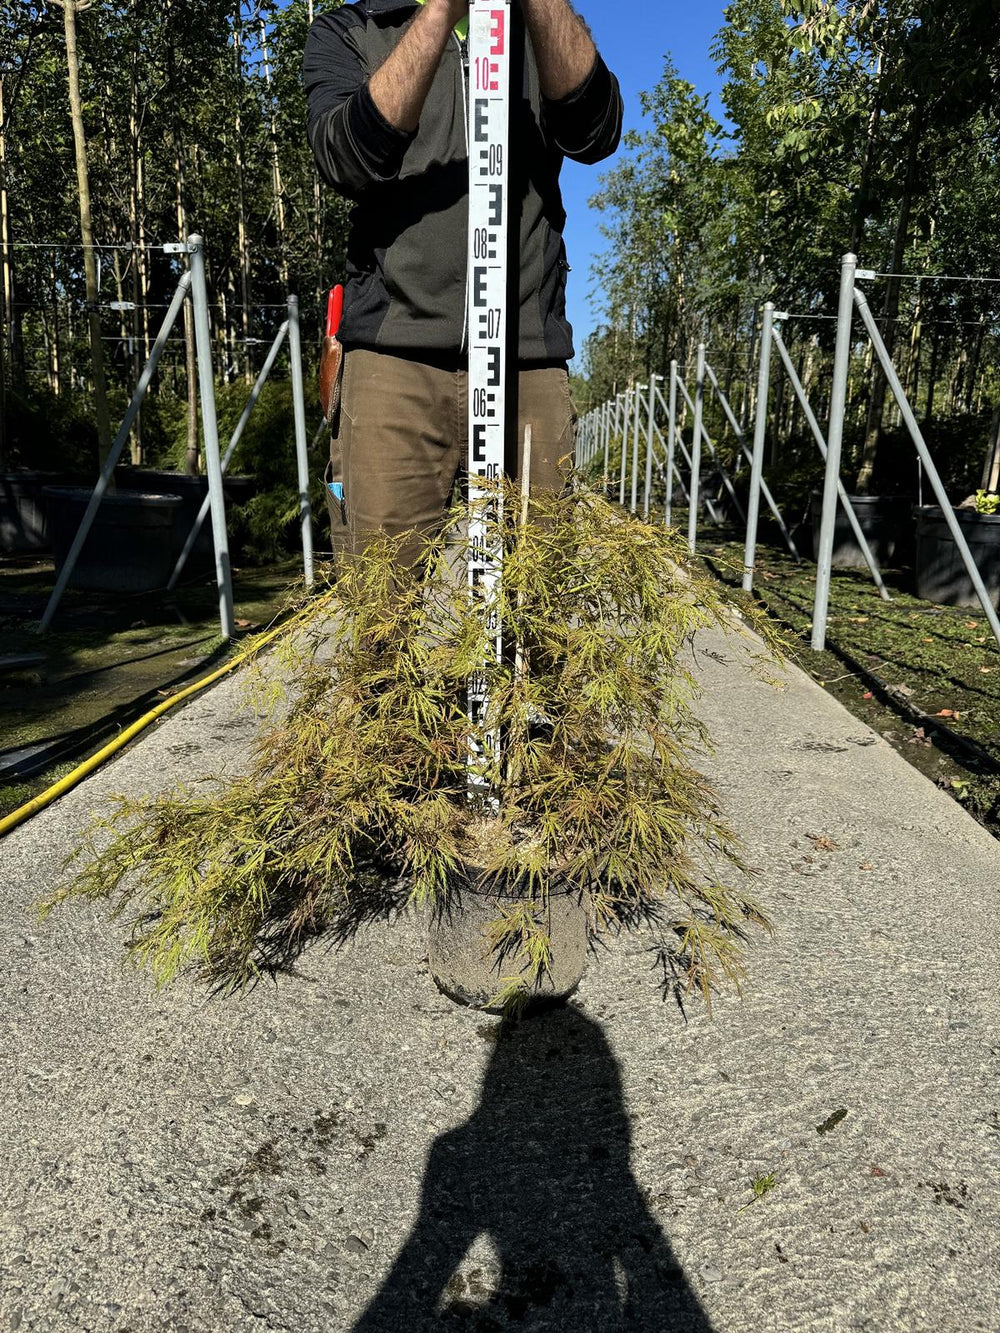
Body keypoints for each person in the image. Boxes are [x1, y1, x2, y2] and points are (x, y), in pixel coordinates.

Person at [303, 0, 622, 568]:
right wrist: (440, 11)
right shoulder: (353, 28)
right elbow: (345, 157)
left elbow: (595, 131)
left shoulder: (540, 29)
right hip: (392, 356)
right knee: (378, 620)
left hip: (527, 356)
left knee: (538, 618)